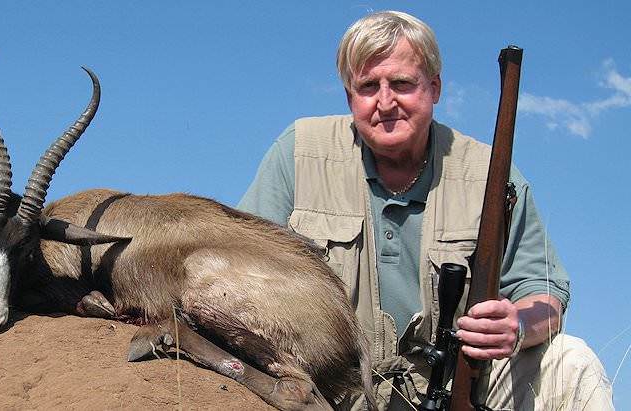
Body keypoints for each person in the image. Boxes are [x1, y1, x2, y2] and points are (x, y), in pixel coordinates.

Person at [238, 10, 613, 410]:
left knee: (571, 362)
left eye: (401, 83)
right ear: (350, 96)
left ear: (434, 87)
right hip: (331, 389)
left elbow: (543, 291)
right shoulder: (298, 152)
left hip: (457, 386)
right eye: (368, 86)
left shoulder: (491, 172)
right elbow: (240, 266)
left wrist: (517, 326)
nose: (385, 102)